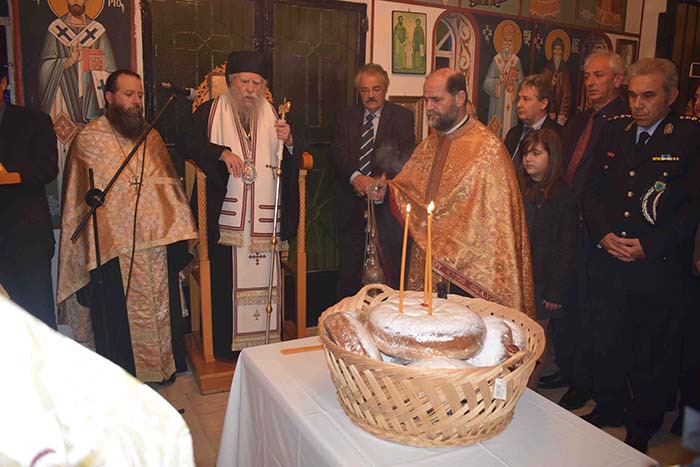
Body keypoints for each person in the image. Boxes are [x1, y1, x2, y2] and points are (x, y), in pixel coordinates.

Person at [580, 58, 700, 452]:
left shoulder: (688, 137)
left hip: (656, 266)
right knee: (609, 339)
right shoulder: (615, 131)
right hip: (611, 259)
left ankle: (643, 423)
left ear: (671, 95)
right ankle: (609, 406)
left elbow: (692, 208)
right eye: (632, 95)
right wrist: (602, 234)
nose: (638, 104)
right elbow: (591, 191)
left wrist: (651, 245)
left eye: (648, 96)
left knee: (651, 350)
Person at [57, 69, 197, 383]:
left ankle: (162, 370)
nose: (136, 102)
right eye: (128, 94)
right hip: (112, 250)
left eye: (139, 95)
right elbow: (77, 200)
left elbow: (168, 189)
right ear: (109, 97)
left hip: (155, 245)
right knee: (117, 318)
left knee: (161, 309)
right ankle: (124, 377)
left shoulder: (151, 137)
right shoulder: (89, 139)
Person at [181, 51, 304, 356]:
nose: (250, 89)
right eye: (244, 82)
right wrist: (220, 153)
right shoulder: (210, 112)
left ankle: (265, 343)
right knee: (225, 283)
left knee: (267, 283)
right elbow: (185, 143)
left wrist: (290, 141)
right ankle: (228, 349)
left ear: (264, 86)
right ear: (231, 82)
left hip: (264, 222)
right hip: (227, 222)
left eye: (256, 83)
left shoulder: (274, 115)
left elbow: (294, 156)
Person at [386, 68, 535, 316]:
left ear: (459, 98)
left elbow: (498, 230)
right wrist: (385, 190)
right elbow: (407, 190)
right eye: (426, 100)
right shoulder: (429, 145)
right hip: (427, 263)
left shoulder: (487, 151)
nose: (429, 107)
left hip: (468, 278)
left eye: (436, 100)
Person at [549, 52, 629, 409]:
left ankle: (587, 381)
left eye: (599, 75)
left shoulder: (625, 122)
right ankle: (568, 370)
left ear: (618, 79)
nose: (591, 82)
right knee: (566, 302)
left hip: (596, 230)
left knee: (590, 309)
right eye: (587, 76)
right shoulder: (580, 119)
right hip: (566, 222)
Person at [330, 63, 415, 298]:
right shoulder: (346, 117)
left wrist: (385, 179)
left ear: (385, 89)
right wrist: (356, 178)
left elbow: (408, 155)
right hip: (350, 208)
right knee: (349, 275)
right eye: (364, 90)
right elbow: (337, 153)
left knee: (387, 274)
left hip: (386, 208)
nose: (370, 95)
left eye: (376, 89)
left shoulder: (403, 117)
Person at [516, 128, 577, 387]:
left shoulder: (563, 195)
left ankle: (528, 390)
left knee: (536, 341)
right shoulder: (521, 188)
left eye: (536, 153)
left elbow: (566, 245)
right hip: (521, 276)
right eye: (526, 153)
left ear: (552, 157)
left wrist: (555, 290)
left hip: (544, 281)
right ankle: (515, 386)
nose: (528, 158)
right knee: (517, 337)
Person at [0, 63, 59, 329]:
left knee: (37, 321)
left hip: (25, 240)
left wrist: (9, 174)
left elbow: (47, 168)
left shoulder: (33, 121)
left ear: (3, 83)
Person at [39, 0, 116, 125]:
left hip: (90, 95)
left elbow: (110, 71)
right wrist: (69, 61)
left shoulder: (97, 31)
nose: (75, 1)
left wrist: (92, 65)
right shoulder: (56, 29)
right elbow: (45, 68)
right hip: (63, 95)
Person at [503, 74, 560, 169]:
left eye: (526, 99)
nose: (519, 105)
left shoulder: (556, 135)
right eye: (519, 99)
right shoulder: (513, 133)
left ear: (543, 103)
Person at [483, 21, 524, 139]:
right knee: (496, 134)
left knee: (510, 132)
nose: (507, 44)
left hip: (510, 102)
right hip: (497, 103)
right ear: (502, 42)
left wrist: (513, 87)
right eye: (505, 41)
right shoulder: (497, 60)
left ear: (512, 44)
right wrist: (498, 81)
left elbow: (522, 83)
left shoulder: (516, 61)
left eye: (510, 41)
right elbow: (487, 82)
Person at [542, 37, 573, 126]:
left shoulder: (565, 70)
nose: (557, 52)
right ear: (552, 51)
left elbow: (567, 93)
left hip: (559, 110)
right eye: (555, 49)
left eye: (560, 49)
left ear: (562, 52)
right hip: (547, 109)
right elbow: (543, 89)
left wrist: (563, 113)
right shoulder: (547, 68)